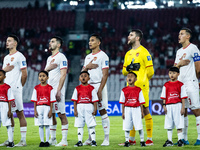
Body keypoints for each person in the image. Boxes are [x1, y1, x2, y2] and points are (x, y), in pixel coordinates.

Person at [121, 29, 154, 146]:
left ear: (137, 38)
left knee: (144, 110)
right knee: (131, 112)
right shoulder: (127, 54)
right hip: (129, 88)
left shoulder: (144, 52)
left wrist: (142, 80)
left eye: (131, 35)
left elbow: (150, 72)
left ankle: (149, 138)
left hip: (141, 87)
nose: (128, 37)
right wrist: (128, 68)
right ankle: (131, 139)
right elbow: (124, 71)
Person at [82, 33, 110, 146]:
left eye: (92, 40)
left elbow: (105, 75)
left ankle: (106, 139)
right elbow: (82, 74)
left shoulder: (103, 56)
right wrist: (86, 66)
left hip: (99, 85)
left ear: (98, 43)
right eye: (89, 40)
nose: (90, 42)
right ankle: (90, 138)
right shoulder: (87, 57)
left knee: (102, 111)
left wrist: (99, 90)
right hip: (89, 86)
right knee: (90, 113)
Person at [174, 27, 200, 145]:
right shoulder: (179, 52)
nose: (179, 36)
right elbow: (174, 70)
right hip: (181, 85)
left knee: (196, 110)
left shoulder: (193, 48)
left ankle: (199, 138)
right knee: (183, 111)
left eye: (182, 33)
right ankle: (184, 139)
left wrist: (196, 80)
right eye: (179, 34)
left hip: (191, 83)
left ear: (188, 36)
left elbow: (198, 67)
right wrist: (179, 64)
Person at [1, 34, 28, 147]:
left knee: (19, 112)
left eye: (10, 40)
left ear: (15, 43)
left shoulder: (20, 56)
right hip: (6, 89)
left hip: (15, 88)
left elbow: (24, 74)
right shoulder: (6, 58)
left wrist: (19, 86)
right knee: (9, 114)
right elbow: (2, 74)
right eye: (7, 40)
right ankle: (10, 139)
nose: (7, 42)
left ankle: (23, 140)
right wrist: (4, 70)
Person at [45, 36, 68, 146]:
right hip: (49, 91)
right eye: (50, 41)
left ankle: (64, 140)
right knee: (52, 115)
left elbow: (63, 74)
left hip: (57, 90)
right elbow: (45, 74)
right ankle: (53, 138)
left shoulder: (61, 57)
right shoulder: (49, 59)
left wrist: (59, 90)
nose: (50, 43)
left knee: (61, 114)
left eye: (53, 41)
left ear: (58, 45)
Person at [161, 67, 187, 147]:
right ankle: (169, 141)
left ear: (178, 74)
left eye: (174, 73)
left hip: (178, 105)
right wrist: (164, 105)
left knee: (179, 123)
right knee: (169, 124)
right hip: (168, 106)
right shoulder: (166, 85)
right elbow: (164, 96)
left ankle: (180, 140)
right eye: (170, 73)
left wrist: (183, 107)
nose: (172, 75)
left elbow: (183, 97)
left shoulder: (180, 84)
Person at [71, 71, 99, 147]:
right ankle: (80, 141)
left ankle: (93, 141)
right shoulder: (77, 88)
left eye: (85, 76)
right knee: (79, 125)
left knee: (91, 125)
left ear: (89, 78)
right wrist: (75, 110)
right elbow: (75, 100)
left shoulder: (91, 88)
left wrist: (95, 109)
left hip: (89, 106)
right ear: (79, 78)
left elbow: (95, 100)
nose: (83, 77)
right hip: (79, 107)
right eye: (82, 76)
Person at [119, 72, 146, 147]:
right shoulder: (124, 90)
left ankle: (142, 141)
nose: (129, 77)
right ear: (126, 79)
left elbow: (141, 102)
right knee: (127, 126)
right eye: (128, 76)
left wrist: (142, 112)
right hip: (127, 109)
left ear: (136, 79)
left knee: (139, 126)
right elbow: (123, 102)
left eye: (132, 76)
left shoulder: (138, 89)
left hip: (136, 109)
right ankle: (127, 141)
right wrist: (123, 112)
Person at [31, 71, 56, 147]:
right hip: (39, 107)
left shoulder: (50, 88)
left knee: (47, 125)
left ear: (47, 78)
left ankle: (47, 141)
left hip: (47, 107)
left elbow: (52, 100)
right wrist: (35, 110)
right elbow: (35, 100)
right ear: (38, 77)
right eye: (40, 76)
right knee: (40, 125)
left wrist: (51, 110)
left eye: (44, 76)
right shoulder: (36, 88)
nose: (42, 77)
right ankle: (42, 141)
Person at [0, 70, 15, 148]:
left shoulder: (7, 87)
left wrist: (9, 110)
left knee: (8, 124)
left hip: (4, 105)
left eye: (0, 75)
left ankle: (10, 142)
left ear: (4, 77)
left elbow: (10, 99)